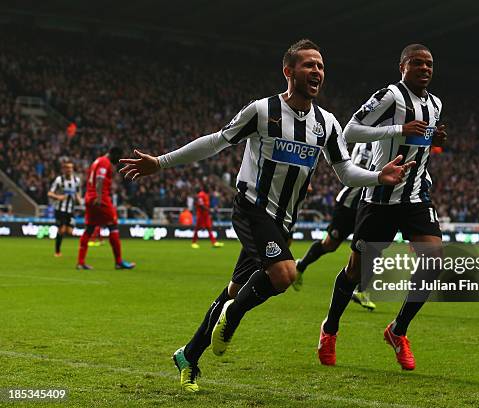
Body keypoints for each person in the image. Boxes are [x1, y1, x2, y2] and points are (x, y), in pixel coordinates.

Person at [119, 39, 413, 392]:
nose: (317, 71)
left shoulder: (327, 123)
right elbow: (216, 141)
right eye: (309, 65)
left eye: (320, 66)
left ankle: (189, 355)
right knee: (285, 274)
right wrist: (161, 162)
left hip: (283, 221)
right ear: (289, 71)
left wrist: (378, 176)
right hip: (252, 208)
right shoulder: (263, 111)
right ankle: (234, 316)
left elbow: (346, 171)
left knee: (234, 289)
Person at [317, 44, 448, 370]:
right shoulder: (390, 96)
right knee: (355, 271)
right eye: (417, 63)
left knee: (433, 263)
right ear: (402, 67)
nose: (424, 68)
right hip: (379, 198)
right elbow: (350, 131)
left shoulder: (435, 104)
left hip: (416, 197)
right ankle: (330, 329)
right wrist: (398, 129)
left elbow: (420, 144)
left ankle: (398, 330)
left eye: (429, 64)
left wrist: (434, 140)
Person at [292, 142, 377, 311]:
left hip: (368, 207)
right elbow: (357, 173)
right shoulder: (366, 145)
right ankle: (300, 265)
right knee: (330, 245)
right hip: (348, 206)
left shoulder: (386, 143)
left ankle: (361, 291)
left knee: (372, 249)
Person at [77, 147, 135, 270]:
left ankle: (80, 262)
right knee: (113, 226)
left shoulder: (97, 160)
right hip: (100, 198)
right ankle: (119, 262)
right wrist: (99, 197)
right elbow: (99, 179)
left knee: (89, 228)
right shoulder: (105, 162)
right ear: (113, 154)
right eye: (118, 158)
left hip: (89, 197)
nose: (118, 162)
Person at [47, 160, 82, 257]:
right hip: (60, 209)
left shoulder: (76, 180)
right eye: (67, 168)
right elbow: (50, 193)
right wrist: (58, 197)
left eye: (70, 168)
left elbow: (78, 192)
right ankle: (57, 251)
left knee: (69, 231)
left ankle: (60, 243)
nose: (69, 170)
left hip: (71, 209)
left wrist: (80, 200)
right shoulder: (59, 180)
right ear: (63, 169)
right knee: (61, 230)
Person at [191, 184, 223, 248]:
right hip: (201, 214)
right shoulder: (201, 195)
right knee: (197, 228)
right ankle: (193, 243)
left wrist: (212, 209)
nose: (209, 189)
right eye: (208, 188)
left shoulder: (206, 195)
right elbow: (201, 205)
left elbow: (206, 204)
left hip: (206, 214)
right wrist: (210, 210)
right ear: (205, 188)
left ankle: (214, 242)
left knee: (209, 228)